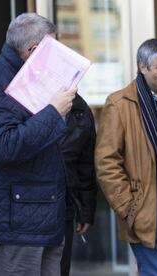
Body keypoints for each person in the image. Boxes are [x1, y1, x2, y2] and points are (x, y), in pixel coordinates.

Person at [95, 38, 157, 276]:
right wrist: (128, 208)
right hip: (146, 210)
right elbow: (106, 162)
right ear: (143, 67)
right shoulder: (119, 104)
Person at [0, 13, 77, 276]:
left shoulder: (33, 73)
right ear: (32, 50)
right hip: (18, 226)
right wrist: (53, 111)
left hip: (45, 217)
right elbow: (4, 146)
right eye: (52, 48)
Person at [59, 94, 97, 276]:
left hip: (64, 206)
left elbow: (85, 166)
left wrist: (86, 211)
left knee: (59, 269)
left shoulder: (80, 109)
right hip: (23, 208)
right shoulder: (23, 99)